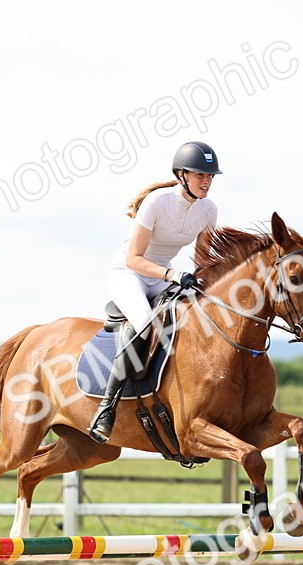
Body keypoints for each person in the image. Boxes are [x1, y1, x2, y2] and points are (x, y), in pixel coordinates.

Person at [87, 141, 221, 443]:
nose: (206, 181)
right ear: (181, 175)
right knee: (145, 322)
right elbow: (135, 258)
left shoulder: (209, 210)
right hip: (129, 272)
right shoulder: (157, 203)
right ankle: (105, 410)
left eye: (210, 176)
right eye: (200, 175)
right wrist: (173, 274)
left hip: (162, 274)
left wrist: (205, 283)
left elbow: (202, 260)